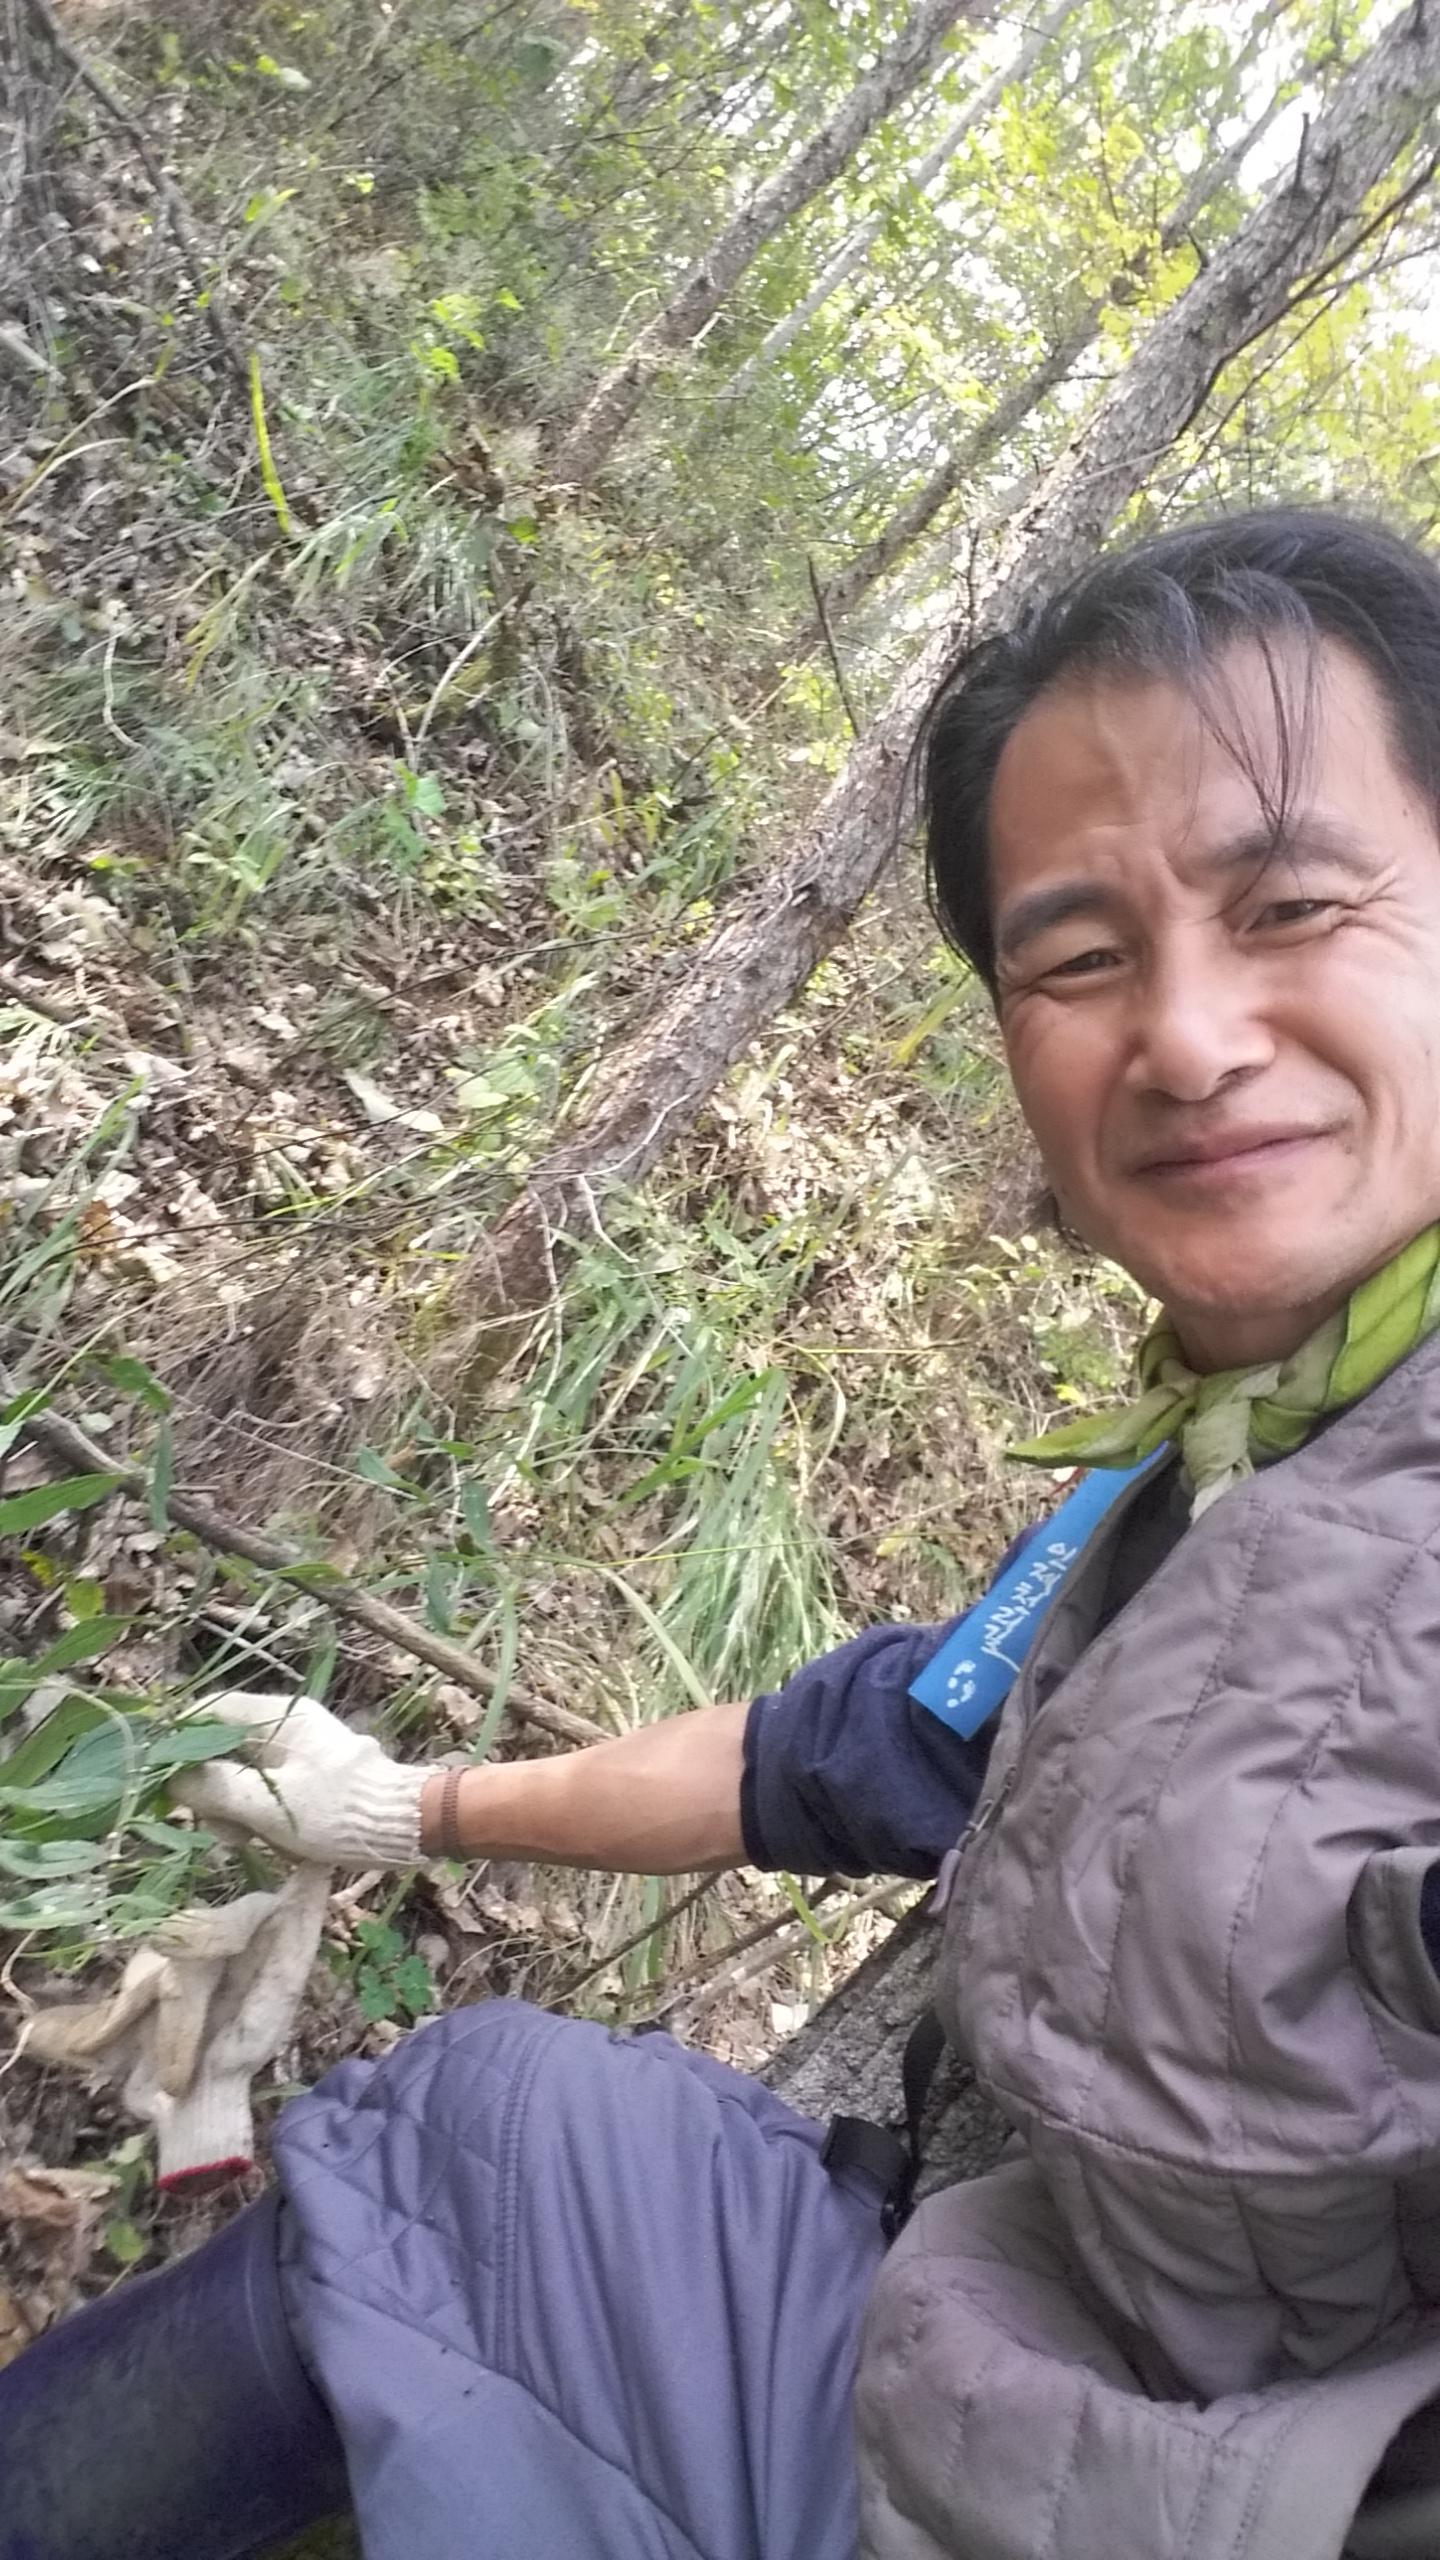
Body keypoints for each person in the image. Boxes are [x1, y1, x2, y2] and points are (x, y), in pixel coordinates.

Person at [8, 502, 1440, 2560]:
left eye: (1292, 903)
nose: (1192, 1035)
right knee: (483, 2131)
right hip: (1023, 2359)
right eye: (1078, 956)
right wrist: (407, 1808)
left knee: (461, 2161)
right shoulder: (1220, 1467)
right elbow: (873, 1745)